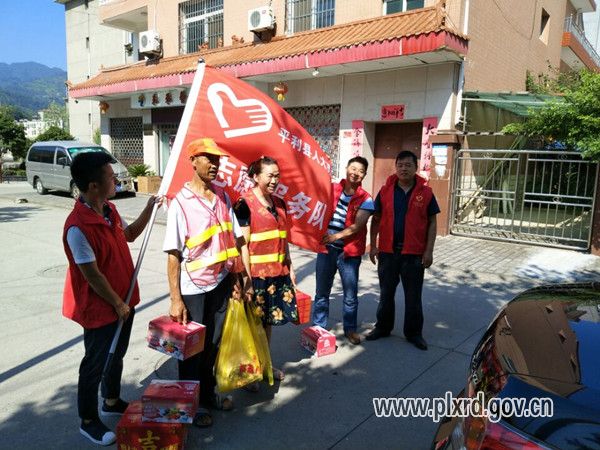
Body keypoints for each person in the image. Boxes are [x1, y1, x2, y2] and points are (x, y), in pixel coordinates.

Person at [62, 151, 160, 446]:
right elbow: (92, 275)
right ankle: (88, 420)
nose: (115, 179)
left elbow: (129, 235)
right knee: (94, 362)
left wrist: (149, 209)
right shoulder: (77, 228)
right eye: (110, 176)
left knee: (116, 353)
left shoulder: (109, 210)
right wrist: (117, 304)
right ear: (93, 185)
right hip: (100, 307)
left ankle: (112, 399)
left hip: (123, 301)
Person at [163, 137, 250, 428]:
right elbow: (173, 255)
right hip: (194, 288)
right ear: (193, 161)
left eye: (217, 160)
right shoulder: (180, 203)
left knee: (213, 344)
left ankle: (208, 393)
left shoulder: (223, 196)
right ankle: (191, 403)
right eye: (208, 159)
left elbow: (234, 241)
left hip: (221, 282)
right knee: (191, 350)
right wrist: (176, 299)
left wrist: (237, 278)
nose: (214, 165)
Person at [366, 150, 440, 351]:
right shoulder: (385, 191)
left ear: (416, 168)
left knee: (413, 296)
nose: (404, 168)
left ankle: (414, 333)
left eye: (408, 165)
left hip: (413, 254)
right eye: (400, 165)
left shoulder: (426, 193)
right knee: (386, 293)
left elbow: (432, 222)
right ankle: (383, 327)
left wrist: (429, 251)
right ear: (396, 167)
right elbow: (376, 219)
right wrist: (373, 245)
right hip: (388, 252)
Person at [234, 156, 298, 384]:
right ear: (255, 176)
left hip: (277, 275)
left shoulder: (280, 203)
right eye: (270, 176)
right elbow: (242, 246)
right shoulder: (244, 204)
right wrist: (246, 281)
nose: (274, 180)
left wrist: (290, 267)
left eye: (277, 176)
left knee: (268, 323)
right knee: (252, 326)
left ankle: (264, 365)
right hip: (256, 277)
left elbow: (283, 239)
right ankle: (250, 372)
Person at [312, 156, 374, 345]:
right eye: (353, 168)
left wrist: (335, 236)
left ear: (364, 175)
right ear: (346, 168)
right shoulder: (331, 189)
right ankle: (318, 328)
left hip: (348, 252)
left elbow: (358, 225)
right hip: (326, 249)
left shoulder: (366, 199)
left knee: (350, 294)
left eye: (360, 171)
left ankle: (350, 330)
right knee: (321, 291)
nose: (355, 173)